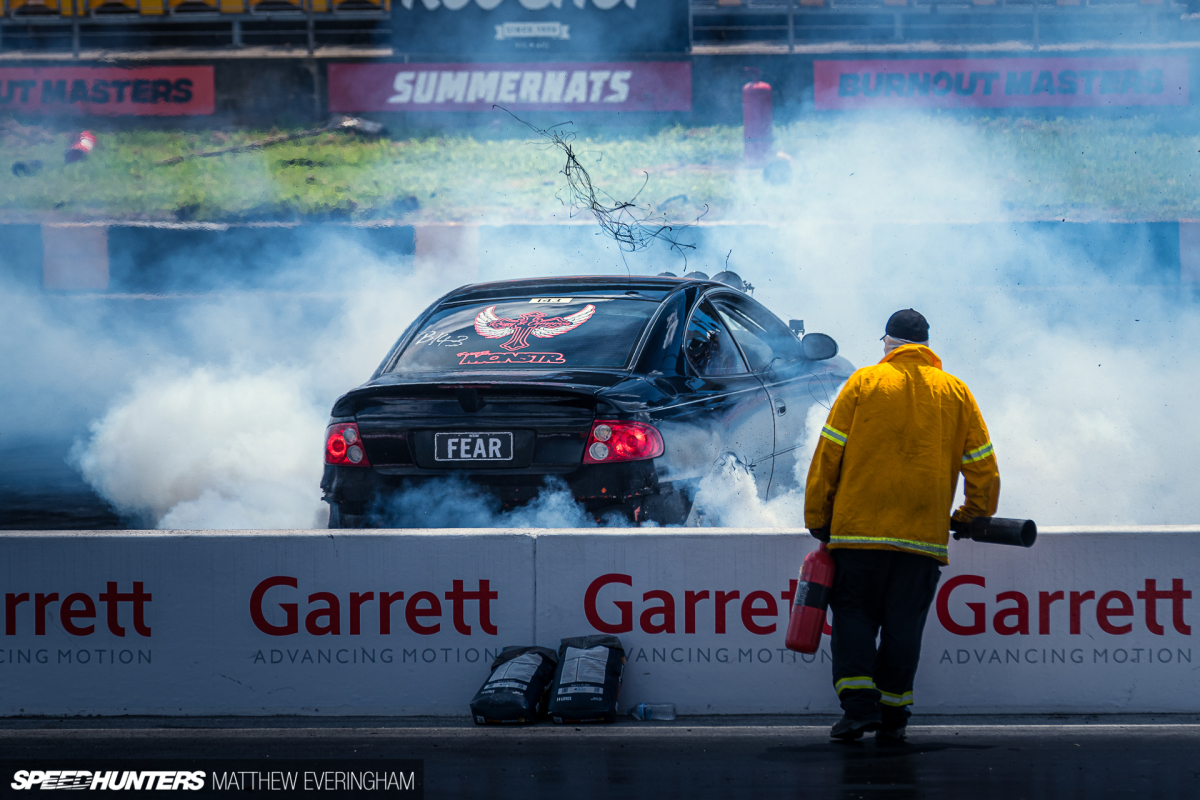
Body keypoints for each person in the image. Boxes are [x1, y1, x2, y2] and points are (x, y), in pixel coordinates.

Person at [804, 309, 1000, 742]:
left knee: (853, 617)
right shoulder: (957, 392)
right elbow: (983, 469)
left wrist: (818, 517)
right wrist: (970, 517)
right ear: (927, 347)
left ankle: (858, 709)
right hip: (921, 540)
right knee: (903, 625)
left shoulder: (863, 383)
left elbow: (828, 455)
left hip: (858, 535)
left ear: (888, 343)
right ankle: (894, 713)